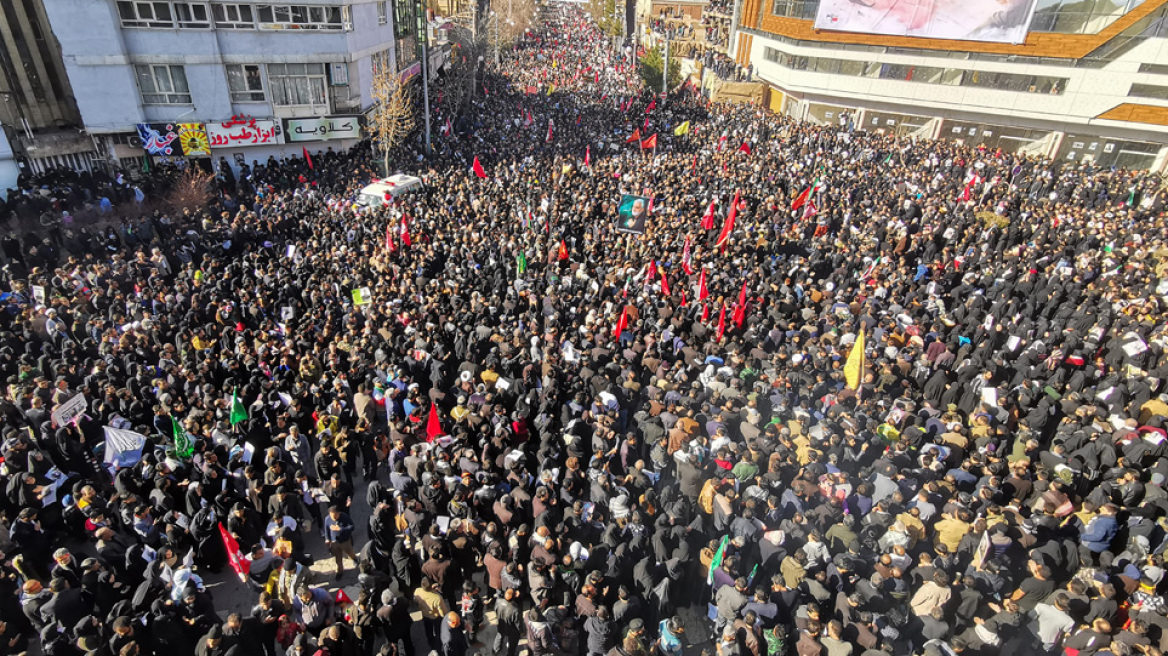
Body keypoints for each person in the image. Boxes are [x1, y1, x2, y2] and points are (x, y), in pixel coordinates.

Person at [324, 505, 357, 578]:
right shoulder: (327, 519)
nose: (334, 518)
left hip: (345, 541)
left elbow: (352, 527)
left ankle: (355, 559)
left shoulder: (344, 517)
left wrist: (341, 529)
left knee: (350, 553)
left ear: (339, 513)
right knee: (338, 558)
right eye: (332, 516)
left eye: (335, 516)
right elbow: (326, 530)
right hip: (334, 543)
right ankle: (340, 571)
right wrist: (327, 539)